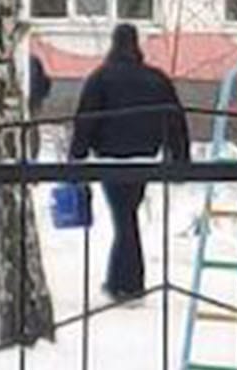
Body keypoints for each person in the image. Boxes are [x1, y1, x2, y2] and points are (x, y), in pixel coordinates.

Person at [70, 24, 189, 302]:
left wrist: (76, 157)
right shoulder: (156, 79)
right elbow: (175, 120)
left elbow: (86, 119)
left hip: (111, 159)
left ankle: (127, 284)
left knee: (124, 219)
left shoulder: (101, 78)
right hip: (145, 157)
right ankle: (123, 281)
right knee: (127, 216)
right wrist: (180, 157)